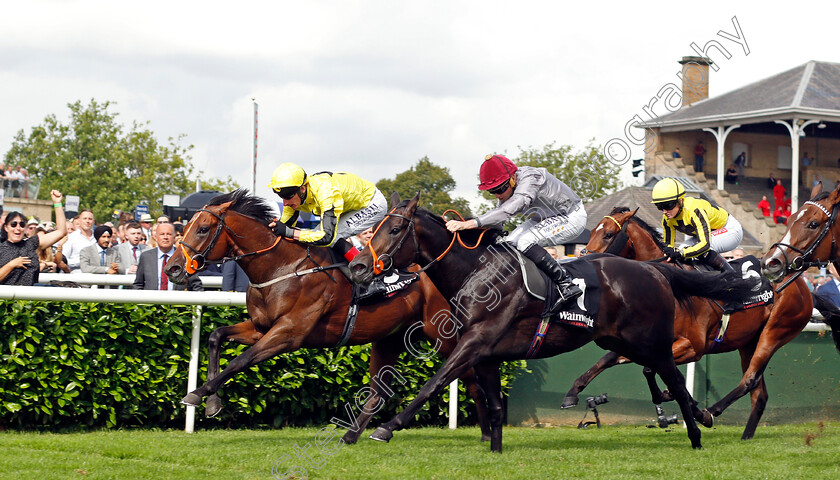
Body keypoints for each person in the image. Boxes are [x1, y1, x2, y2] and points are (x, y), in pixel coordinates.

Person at [445, 154, 586, 312]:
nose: (498, 195)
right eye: (492, 191)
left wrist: (469, 224)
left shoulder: (531, 178)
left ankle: (566, 283)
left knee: (524, 241)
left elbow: (511, 208)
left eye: (500, 189)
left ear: (513, 178)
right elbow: (499, 219)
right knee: (508, 243)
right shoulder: (507, 187)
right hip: (542, 219)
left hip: (569, 216)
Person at [266, 162, 388, 264]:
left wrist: (290, 232)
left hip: (371, 204)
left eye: (288, 196)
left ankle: (369, 272)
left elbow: (326, 237)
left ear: (303, 188)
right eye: (281, 197)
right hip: (349, 206)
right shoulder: (295, 195)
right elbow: (284, 227)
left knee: (331, 237)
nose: (285, 203)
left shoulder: (325, 191)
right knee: (310, 237)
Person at [651, 177, 741, 275]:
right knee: (682, 248)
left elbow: (705, 244)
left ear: (680, 201)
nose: (664, 211)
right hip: (710, 233)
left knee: (701, 248)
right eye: (660, 207)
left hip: (730, 229)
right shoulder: (667, 219)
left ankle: (733, 277)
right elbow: (668, 246)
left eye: (668, 205)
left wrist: (680, 253)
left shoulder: (694, 211)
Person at [0, 190, 68, 285]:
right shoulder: (1, 249)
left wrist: (57, 203)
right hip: (5, 298)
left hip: (29, 297)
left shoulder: (31, 243)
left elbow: (61, 231)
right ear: (6, 228)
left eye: (22, 224)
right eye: (14, 224)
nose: (18, 228)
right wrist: (12, 264)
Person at [133, 222, 202, 291]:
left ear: (174, 237)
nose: (165, 237)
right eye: (162, 234)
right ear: (155, 237)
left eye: (169, 234)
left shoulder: (185, 257)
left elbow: (196, 285)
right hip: (151, 300)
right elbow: (138, 284)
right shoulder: (146, 257)